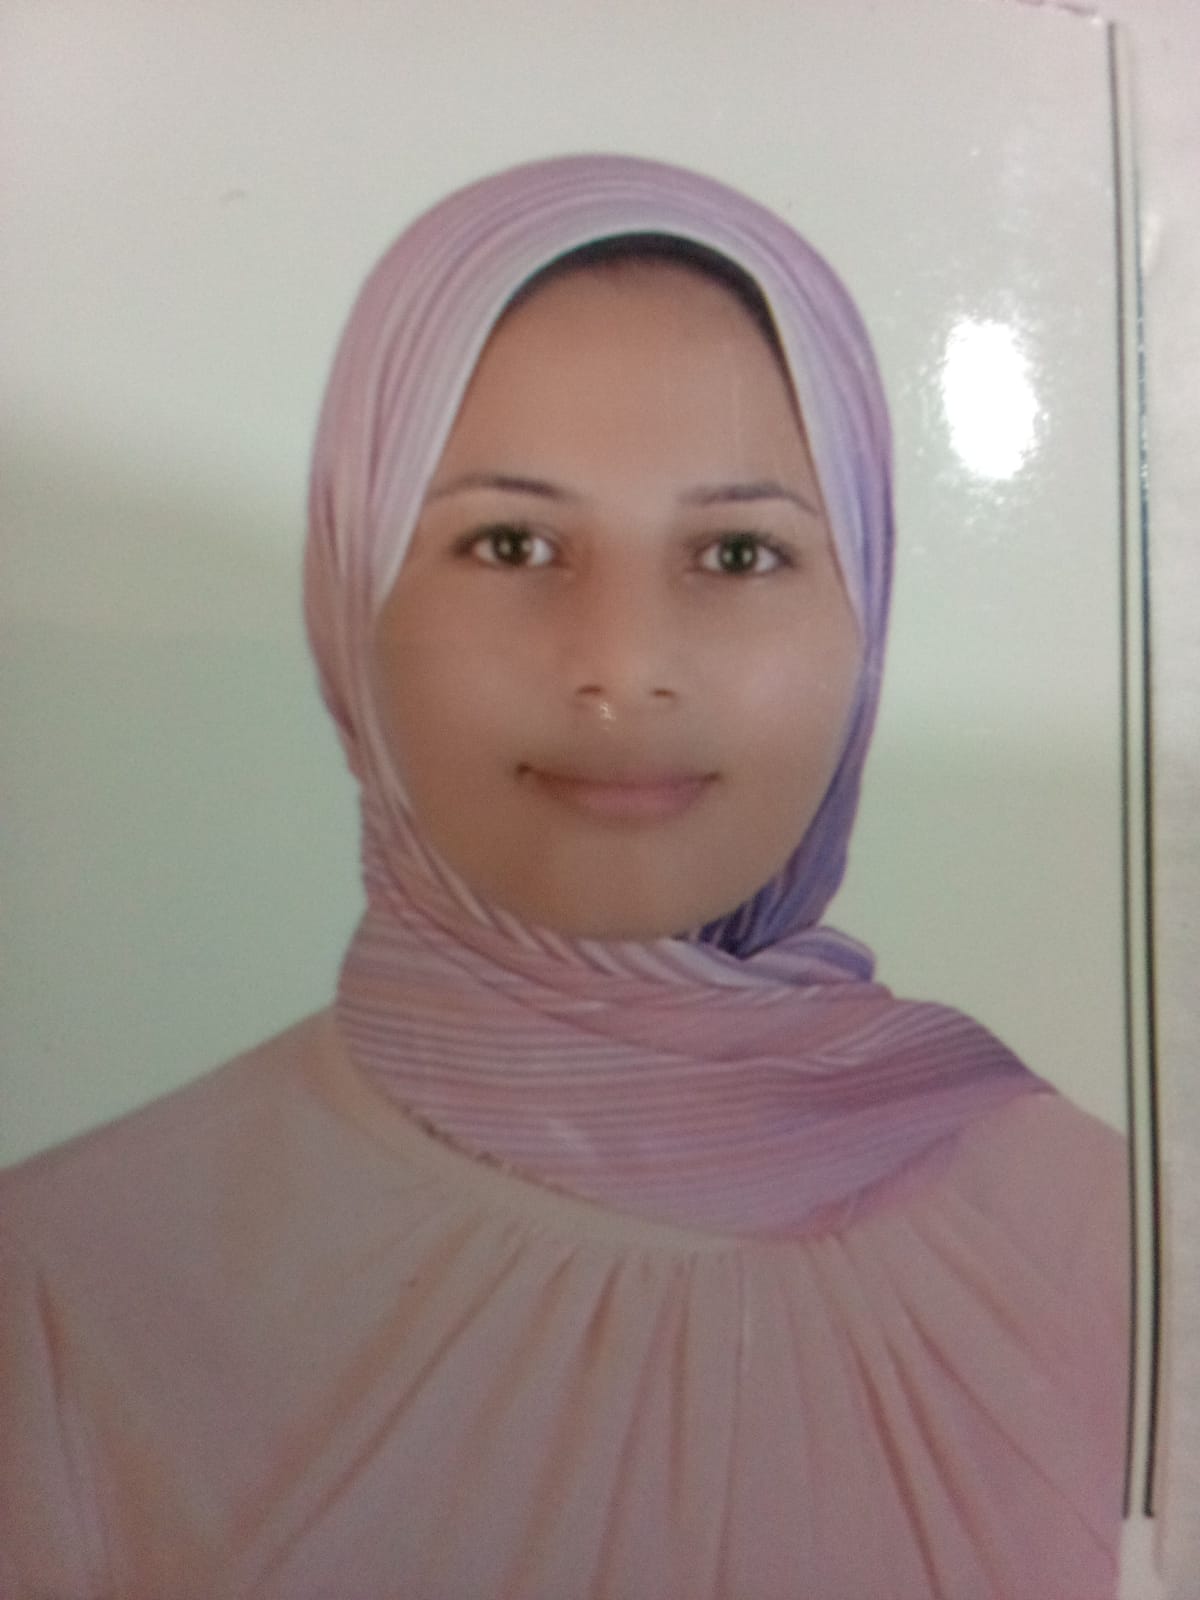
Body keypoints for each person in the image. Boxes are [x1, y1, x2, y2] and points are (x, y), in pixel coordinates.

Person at [0, 154, 1128, 1599]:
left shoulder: (1110, 1244)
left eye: (738, 550)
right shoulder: (70, 1288)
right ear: (349, 601)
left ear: (869, 609)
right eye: (512, 542)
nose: (622, 666)